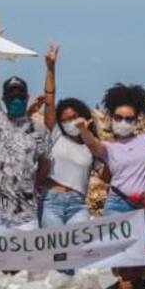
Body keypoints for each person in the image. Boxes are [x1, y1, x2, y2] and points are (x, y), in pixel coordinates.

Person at [74, 84, 145, 262]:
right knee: (116, 255)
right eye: (119, 117)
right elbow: (94, 146)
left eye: (129, 119)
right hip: (119, 205)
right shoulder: (108, 148)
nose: (124, 122)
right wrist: (83, 130)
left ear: (137, 119)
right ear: (111, 118)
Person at [0, 15, 46, 229]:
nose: (15, 100)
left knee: (27, 264)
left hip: (26, 213)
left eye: (20, 96)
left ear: (27, 98)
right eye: (11, 96)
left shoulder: (37, 128)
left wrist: (34, 187)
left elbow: (44, 163)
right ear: (4, 100)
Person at [39, 44, 98, 227]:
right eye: (65, 119)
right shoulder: (57, 135)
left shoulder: (91, 146)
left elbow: (109, 172)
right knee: (54, 252)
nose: (71, 122)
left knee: (79, 252)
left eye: (74, 117)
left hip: (78, 204)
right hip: (51, 201)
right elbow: (49, 100)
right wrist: (50, 68)